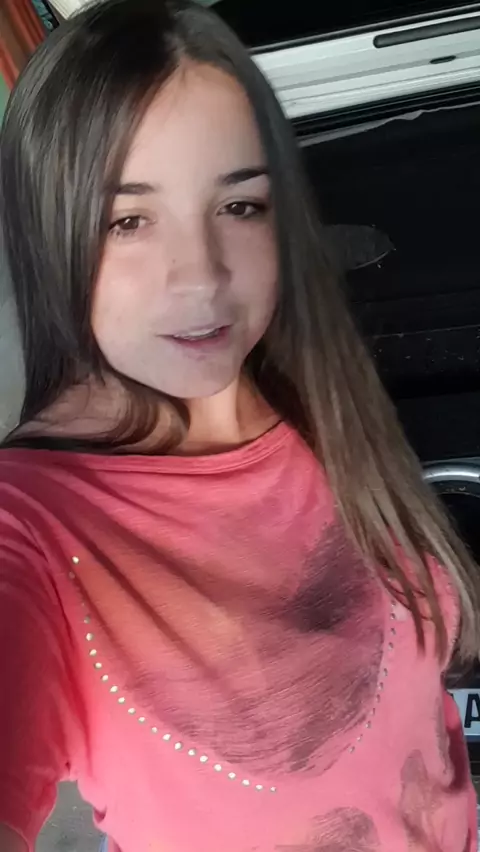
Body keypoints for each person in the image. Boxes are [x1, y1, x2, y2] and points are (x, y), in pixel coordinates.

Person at [0, 1, 479, 850]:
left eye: (241, 206)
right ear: (49, 234)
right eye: (128, 220)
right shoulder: (31, 532)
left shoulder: (312, 392)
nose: (203, 278)